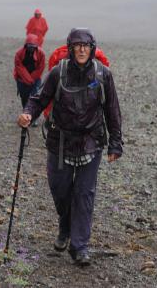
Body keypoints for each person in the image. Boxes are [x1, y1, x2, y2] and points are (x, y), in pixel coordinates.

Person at [17, 28, 123, 266]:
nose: (82, 49)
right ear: (71, 48)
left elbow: (112, 110)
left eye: (86, 45)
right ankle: (65, 226)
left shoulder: (103, 75)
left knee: (84, 194)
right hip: (59, 142)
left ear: (92, 48)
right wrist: (27, 114)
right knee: (60, 191)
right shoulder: (58, 73)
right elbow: (39, 99)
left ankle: (80, 246)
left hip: (91, 142)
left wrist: (116, 142)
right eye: (77, 45)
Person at [13, 34, 46, 125]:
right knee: (24, 97)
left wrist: (32, 79)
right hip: (21, 79)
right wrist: (28, 79)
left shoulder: (41, 54)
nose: (31, 48)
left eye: (33, 46)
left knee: (35, 98)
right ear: (26, 45)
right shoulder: (19, 53)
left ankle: (33, 118)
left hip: (35, 79)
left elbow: (41, 67)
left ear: (36, 46)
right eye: (29, 46)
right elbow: (19, 67)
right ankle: (26, 115)